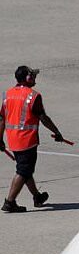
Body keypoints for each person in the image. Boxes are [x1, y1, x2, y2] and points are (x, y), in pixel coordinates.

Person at [2, 66, 66, 213]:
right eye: (33, 76)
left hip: (13, 140)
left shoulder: (8, 95)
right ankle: (9, 202)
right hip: (27, 140)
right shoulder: (33, 96)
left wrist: (0, 139)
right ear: (28, 78)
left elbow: (1, 119)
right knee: (23, 171)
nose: (35, 79)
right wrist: (57, 132)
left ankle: (37, 197)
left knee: (26, 169)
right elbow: (43, 118)